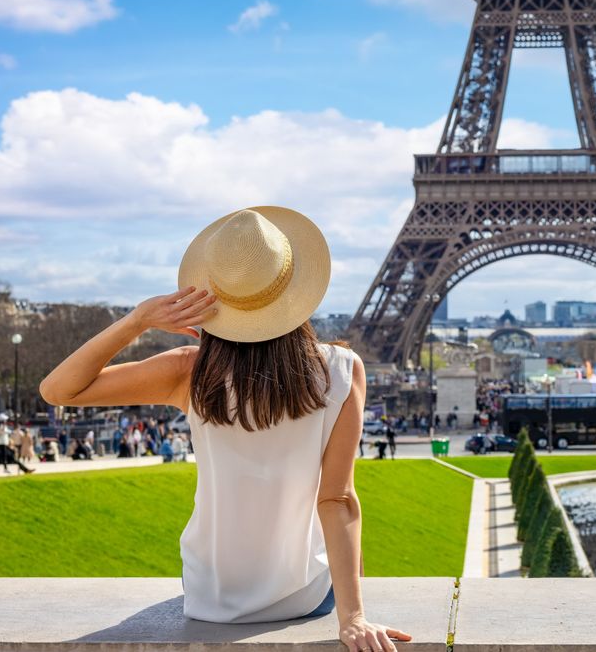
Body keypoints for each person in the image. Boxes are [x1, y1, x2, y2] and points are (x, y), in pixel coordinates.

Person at [38, 206, 411, 647]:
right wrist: (354, 618)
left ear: (214, 294)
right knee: (335, 529)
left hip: (210, 592)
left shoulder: (188, 371)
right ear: (296, 290)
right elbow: (337, 499)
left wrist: (137, 320)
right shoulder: (341, 370)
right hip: (303, 593)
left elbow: (58, 390)